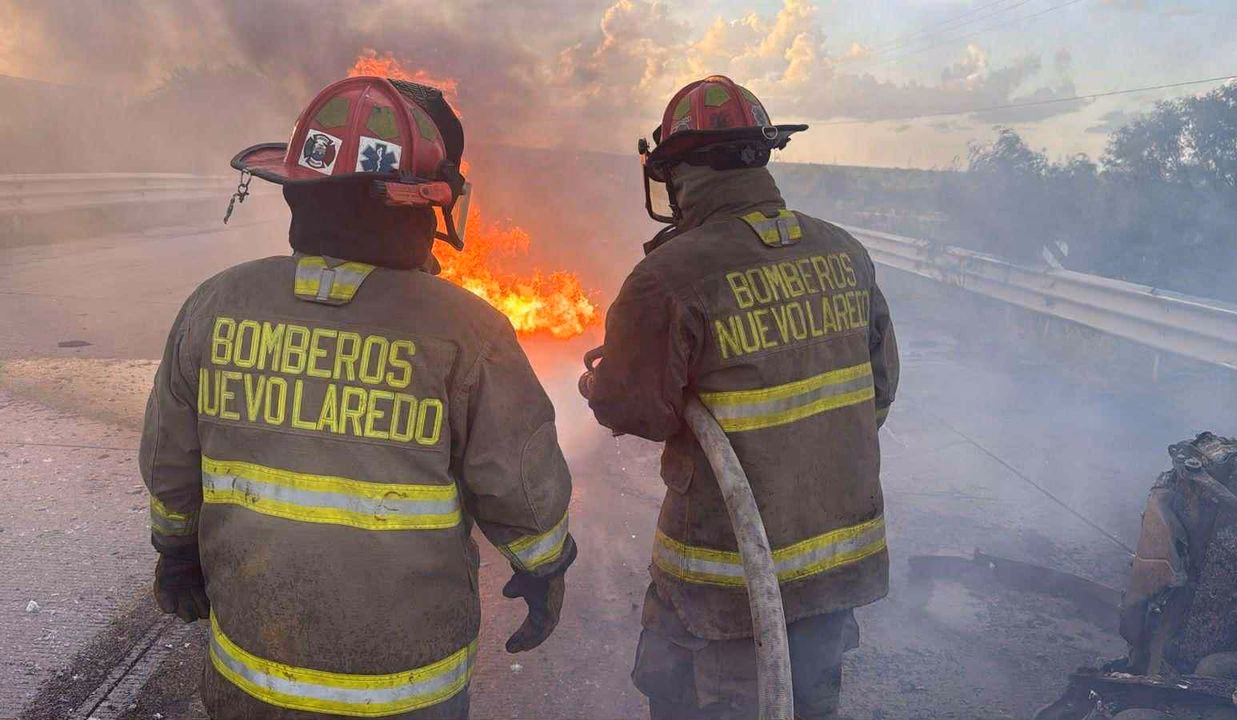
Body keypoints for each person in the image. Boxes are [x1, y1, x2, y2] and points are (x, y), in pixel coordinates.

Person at [140, 75, 576, 719]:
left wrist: (177, 553)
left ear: (297, 191)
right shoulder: (467, 331)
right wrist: (545, 568)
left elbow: (170, 464)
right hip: (406, 690)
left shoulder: (215, 305)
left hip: (254, 677)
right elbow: (520, 482)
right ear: (421, 207)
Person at [581, 75, 899, 720]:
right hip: (835, 567)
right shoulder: (845, 252)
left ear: (676, 174)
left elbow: (633, 408)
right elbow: (880, 390)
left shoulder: (671, 274)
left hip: (723, 583)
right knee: (806, 701)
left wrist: (601, 384)